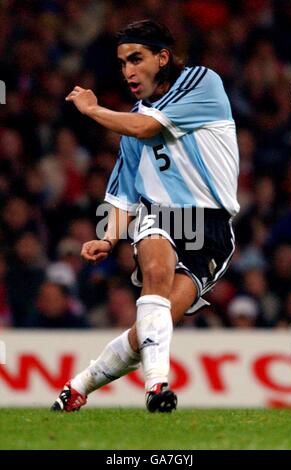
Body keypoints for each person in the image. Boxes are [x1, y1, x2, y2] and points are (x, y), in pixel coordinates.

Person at [51, 19, 239, 413]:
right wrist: (108, 237)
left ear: (163, 57)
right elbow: (122, 193)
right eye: (122, 63)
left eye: (136, 59)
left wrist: (93, 108)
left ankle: (78, 385)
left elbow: (145, 125)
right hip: (162, 217)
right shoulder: (134, 120)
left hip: (212, 228)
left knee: (154, 327)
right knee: (154, 272)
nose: (128, 71)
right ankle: (157, 388)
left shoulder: (202, 83)